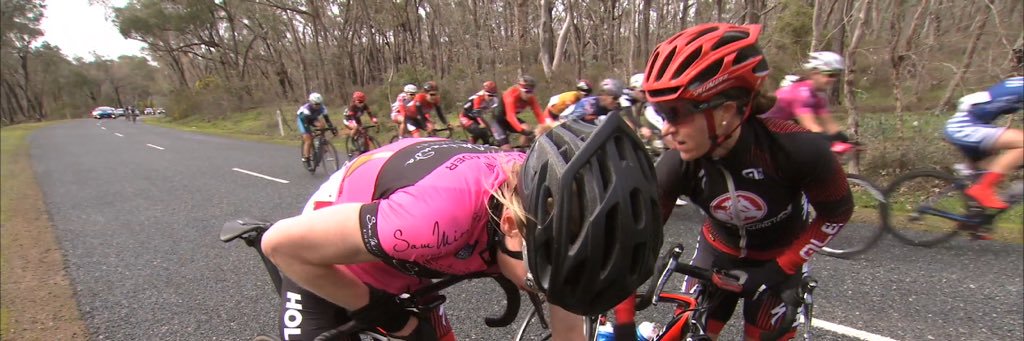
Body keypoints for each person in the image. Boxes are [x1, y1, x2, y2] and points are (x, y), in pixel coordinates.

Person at [260, 113, 663, 341]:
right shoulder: (431, 221)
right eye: (544, 281)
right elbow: (280, 245)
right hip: (332, 255)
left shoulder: (550, 214)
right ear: (510, 224)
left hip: (419, 256)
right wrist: (382, 312)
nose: (551, 292)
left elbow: (568, 328)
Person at [634, 23, 853, 341]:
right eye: (659, 113)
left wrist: (781, 268)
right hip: (716, 255)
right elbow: (640, 236)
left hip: (780, 258)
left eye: (677, 113)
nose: (667, 129)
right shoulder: (675, 165)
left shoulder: (797, 148)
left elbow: (837, 213)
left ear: (725, 111)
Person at [943, 49, 1022, 210]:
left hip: (967, 124)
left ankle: (974, 221)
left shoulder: (1019, 82)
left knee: (989, 172)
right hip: (965, 126)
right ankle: (982, 189)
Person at [763, 51, 849, 142]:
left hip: (775, 128)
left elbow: (829, 125)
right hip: (759, 129)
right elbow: (812, 128)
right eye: (830, 75)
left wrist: (847, 141)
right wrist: (830, 142)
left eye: (836, 75)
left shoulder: (818, 95)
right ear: (815, 73)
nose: (833, 79)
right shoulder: (802, 93)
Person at [492, 75, 546, 150]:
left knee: (528, 129)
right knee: (507, 149)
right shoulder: (511, 94)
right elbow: (510, 116)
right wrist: (522, 130)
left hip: (510, 120)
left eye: (531, 92)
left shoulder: (531, 98)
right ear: (520, 89)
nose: (529, 95)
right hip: (499, 121)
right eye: (527, 91)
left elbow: (539, 114)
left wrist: (545, 128)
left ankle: (523, 151)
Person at [297, 92, 336, 167]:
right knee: (308, 139)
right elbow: (306, 124)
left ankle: (321, 142)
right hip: (303, 119)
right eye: (316, 104)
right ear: (311, 103)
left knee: (322, 125)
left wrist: (332, 129)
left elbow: (327, 120)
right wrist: (308, 133)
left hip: (312, 118)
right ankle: (306, 158)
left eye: (319, 104)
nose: (318, 106)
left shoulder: (323, 108)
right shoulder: (306, 109)